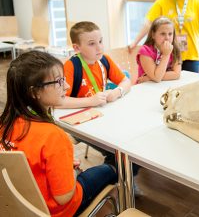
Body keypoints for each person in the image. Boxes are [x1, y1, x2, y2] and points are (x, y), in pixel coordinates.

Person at [0, 50, 117, 216]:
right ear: (34, 92)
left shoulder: (4, 125)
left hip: (20, 205)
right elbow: (64, 197)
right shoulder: (52, 135)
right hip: (56, 210)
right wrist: (72, 171)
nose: (67, 86)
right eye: (59, 81)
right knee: (112, 169)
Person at [61, 21, 131, 108]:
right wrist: (90, 101)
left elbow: (126, 81)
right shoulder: (71, 66)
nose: (99, 47)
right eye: (92, 43)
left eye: (100, 41)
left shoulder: (105, 60)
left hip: (100, 111)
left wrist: (116, 92)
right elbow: (59, 101)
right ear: (77, 48)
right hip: (80, 116)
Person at [136, 16, 181, 84]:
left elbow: (176, 74)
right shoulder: (145, 51)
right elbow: (157, 78)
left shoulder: (174, 49)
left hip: (163, 87)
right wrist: (166, 55)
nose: (167, 38)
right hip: (145, 88)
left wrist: (149, 77)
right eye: (163, 34)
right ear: (153, 35)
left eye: (170, 34)